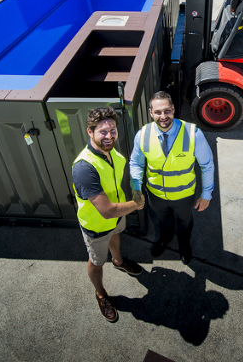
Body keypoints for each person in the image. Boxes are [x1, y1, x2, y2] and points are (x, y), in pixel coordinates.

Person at [73, 106, 145, 323]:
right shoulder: (84, 167)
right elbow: (106, 211)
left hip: (118, 215)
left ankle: (118, 260)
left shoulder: (111, 150)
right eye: (103, 131)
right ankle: (101, 294)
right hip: (97, 224)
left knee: (116, 235)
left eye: (112, 130)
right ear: (90, 132)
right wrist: (136, 204)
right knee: (96, 261)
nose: (109, 136)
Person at [130, 91, 215, 265]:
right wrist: (136, 187)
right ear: (151, 112)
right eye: (158, 112)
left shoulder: (193, 134)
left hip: (184, 195)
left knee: (185, 223)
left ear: (173, 109)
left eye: (167, 111)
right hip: (156, 195)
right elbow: (136, 163)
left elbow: (207, 165)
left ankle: (184, 244)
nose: (163, 116)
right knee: (164, 221)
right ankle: (165, 239)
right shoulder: (143, 135)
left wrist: (206, 195)